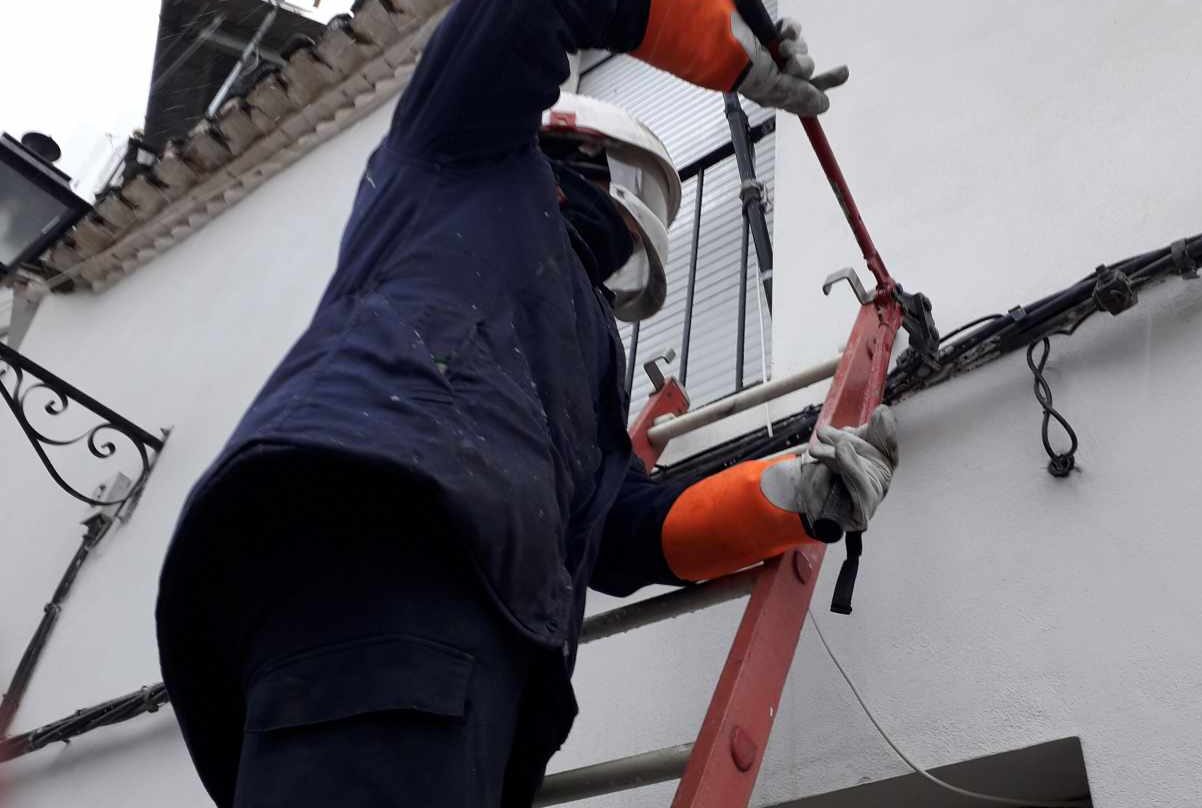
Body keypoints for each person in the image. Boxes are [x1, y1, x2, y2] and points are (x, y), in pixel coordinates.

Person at [155, 1, 898, 806]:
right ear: (580, 154)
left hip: (480, 640)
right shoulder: (460, 153)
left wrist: (788, 499)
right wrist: (728, 44)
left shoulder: (587, 351)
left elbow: (621, 530)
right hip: (387, 561)